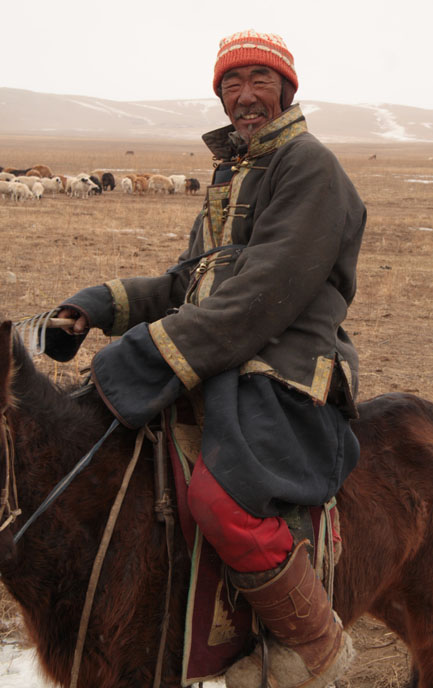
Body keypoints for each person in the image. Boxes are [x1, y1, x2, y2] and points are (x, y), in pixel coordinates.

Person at [46, 30, 366, 688]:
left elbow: (261, 295)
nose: (244, 96)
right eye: (230, 84)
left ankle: (311, 642)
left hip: (286, 364)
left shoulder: (309, 167)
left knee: (222, 500)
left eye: (259, 80)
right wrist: (96, 307)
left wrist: (145, 355)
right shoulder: (235, 171)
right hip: (225, 354)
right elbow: (187, 282)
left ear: (287, 90)